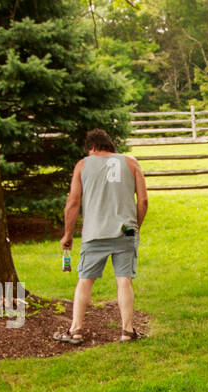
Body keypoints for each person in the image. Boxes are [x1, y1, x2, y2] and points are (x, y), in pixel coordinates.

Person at [57, 129, 148, 344]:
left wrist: (67, 234)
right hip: (126, 229)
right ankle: (127, 331)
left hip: (94, 231)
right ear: (109, 146)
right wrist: (135, 228)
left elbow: (72, 202)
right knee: (124, 279)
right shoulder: (131, 163)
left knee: (85, 280)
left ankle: (76, 330)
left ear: (91, 148)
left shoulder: (83, 165)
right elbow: (143, 201)